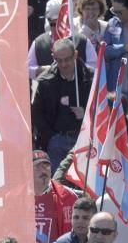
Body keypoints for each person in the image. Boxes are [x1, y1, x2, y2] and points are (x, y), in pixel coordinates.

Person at [31, 39, 95, 170]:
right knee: (57, 183)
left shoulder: (89, 78)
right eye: (59, 60)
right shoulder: (45, 82)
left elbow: (101, 107)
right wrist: (50, 137)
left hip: (83, 139)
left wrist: (86, 114)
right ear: (53, 58)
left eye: (67, 59)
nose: (64, 64)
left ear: (75, 55)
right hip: (56, 142)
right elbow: (36, 113)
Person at [32, 149, 78, 243]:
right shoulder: (15, 197)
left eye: (46, 165)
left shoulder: (68, 197)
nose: (43, 170)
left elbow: (72, 238)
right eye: (38, 166)